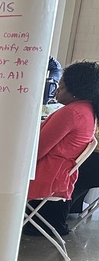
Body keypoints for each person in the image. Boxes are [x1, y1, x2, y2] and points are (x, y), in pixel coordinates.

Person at [27, 61, 99, 236]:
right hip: (59, 174)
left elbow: (35, 152)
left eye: (61, 86)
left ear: (75, 91)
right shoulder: (86, 110)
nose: (57, 90)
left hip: (47, 175)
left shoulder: (71, 113)